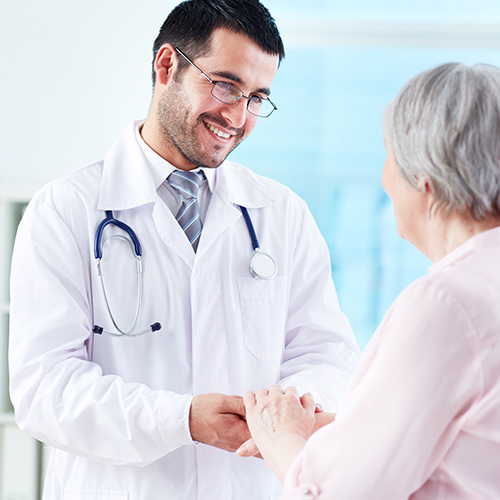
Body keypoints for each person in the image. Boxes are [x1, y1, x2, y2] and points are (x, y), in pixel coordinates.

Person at [8, 1, 360, 499]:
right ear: (167, 65)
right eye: (226, 85)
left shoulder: (281, 214)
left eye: (257, 97)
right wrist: (182, 420)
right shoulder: (64, 211)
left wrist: (286, 409)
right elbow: (44, 389)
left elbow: (327, 353)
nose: (237, 116)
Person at [241, 62, 500, 499]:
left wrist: (281, 437)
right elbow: (471, 440)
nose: (385, 180)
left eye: (389, 158)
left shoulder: (445, 303)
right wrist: (353, 433)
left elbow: (334, 493)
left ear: (425, 178)